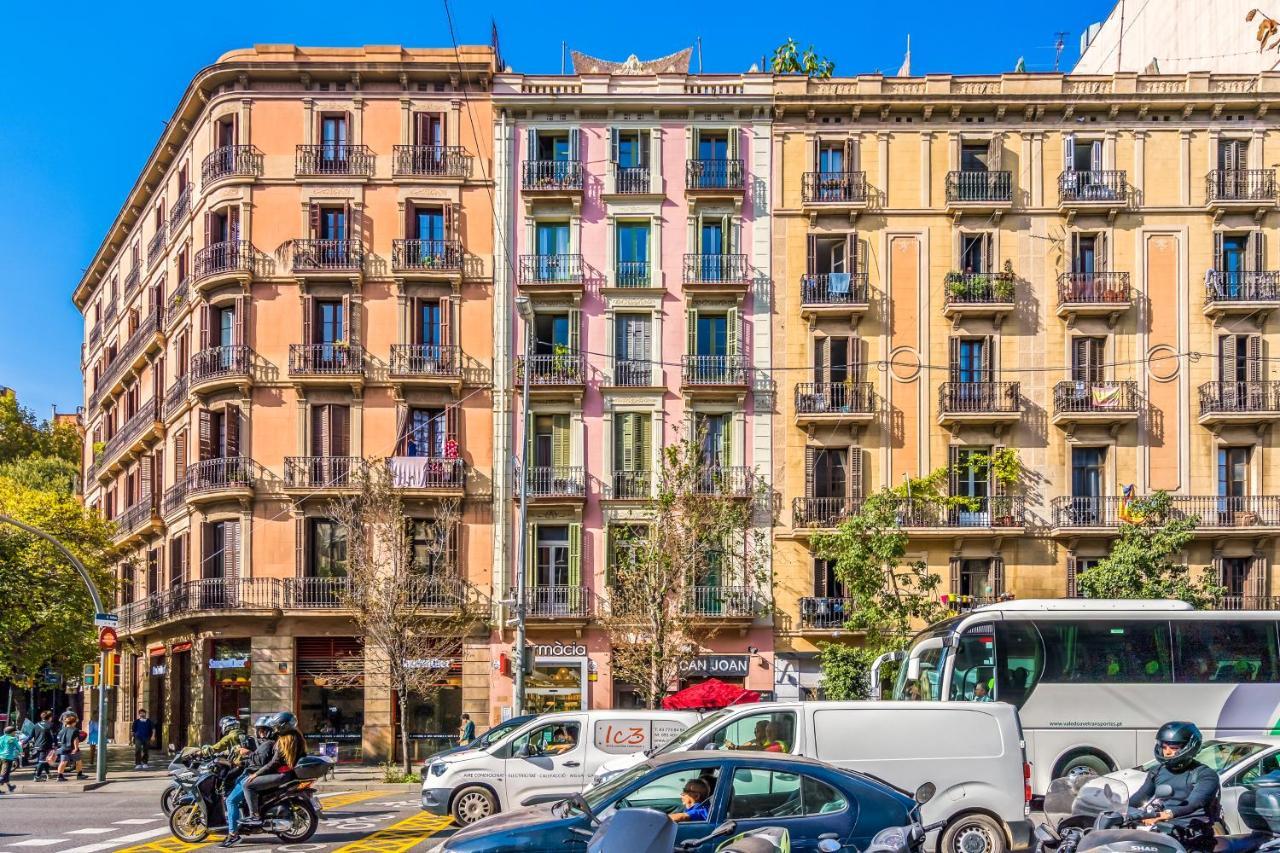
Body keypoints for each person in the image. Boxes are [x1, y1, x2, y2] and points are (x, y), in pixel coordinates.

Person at [1128, 721, 1219, 853]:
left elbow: (1193, 803)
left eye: (1174, 747)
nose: (1167, 752)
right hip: (1165, 834)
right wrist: (1119, 810)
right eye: (1164, 747)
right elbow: (1138, 798)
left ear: (1189, 746)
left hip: (1194, 839)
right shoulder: (1157, 771)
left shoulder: (1205, 774)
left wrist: (1162, 815)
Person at [240, 711, 307, 829]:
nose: (275, 729)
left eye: (277, 726)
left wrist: (256, 774)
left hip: (283, 774)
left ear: (283, 726)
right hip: (290, 774)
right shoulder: (297, 737)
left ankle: (254, 816)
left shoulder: (284, 741)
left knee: (247, 785)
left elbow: (273, 763)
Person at [220, 718, 276, 848]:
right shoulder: (265, 743)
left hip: (252, 775)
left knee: (230, 800)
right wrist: (242, 761)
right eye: (259, 730)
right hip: (250, 771)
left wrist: (248, 753)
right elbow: (258, 760)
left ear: (268, 731)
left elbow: (260, 760)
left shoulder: (267, 744)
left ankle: (233, 835)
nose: (259, 733)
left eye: (262, 730)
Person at [54, 711, 85, 782]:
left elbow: (58, 740)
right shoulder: (75, 730)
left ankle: (59, 776)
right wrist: (76, 748)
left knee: (63, 762)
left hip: (63, 748)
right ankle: (79, 775)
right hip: (72, 748)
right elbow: (76, 740)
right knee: (78, 761)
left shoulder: (61, 730)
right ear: (73, 723)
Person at [29, 711, 53, 782]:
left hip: (37, 745)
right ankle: (37, 777)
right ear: (50, 717)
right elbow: (53, 736)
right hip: (45, 746)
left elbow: (31, 736)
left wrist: (24, 742)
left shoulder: (36, 725)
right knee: (42, 761)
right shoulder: (50, 725)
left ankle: (48, 774)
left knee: (44, 760)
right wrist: (55, 744)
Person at [0, 725, 20, 792]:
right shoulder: (12, 739)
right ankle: (7, 785)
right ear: (11, 733)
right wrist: (21, 752)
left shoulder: (1, 738)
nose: (15, 734)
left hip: (1, 757)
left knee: (5, 773)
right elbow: (18, 747)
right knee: (4, 774)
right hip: (7, 758)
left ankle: (10, 787)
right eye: (14, 732)